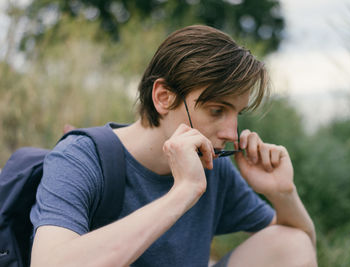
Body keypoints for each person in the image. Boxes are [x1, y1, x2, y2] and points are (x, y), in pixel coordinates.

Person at [30, 25, 317, 267]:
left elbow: (299, 250)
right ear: (163, 97)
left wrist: (283, 193)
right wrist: (182, 192)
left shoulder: (214, 167)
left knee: (291, 241)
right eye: (217, 110)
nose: (232, 133)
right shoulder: (79, 158)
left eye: (236, 114)